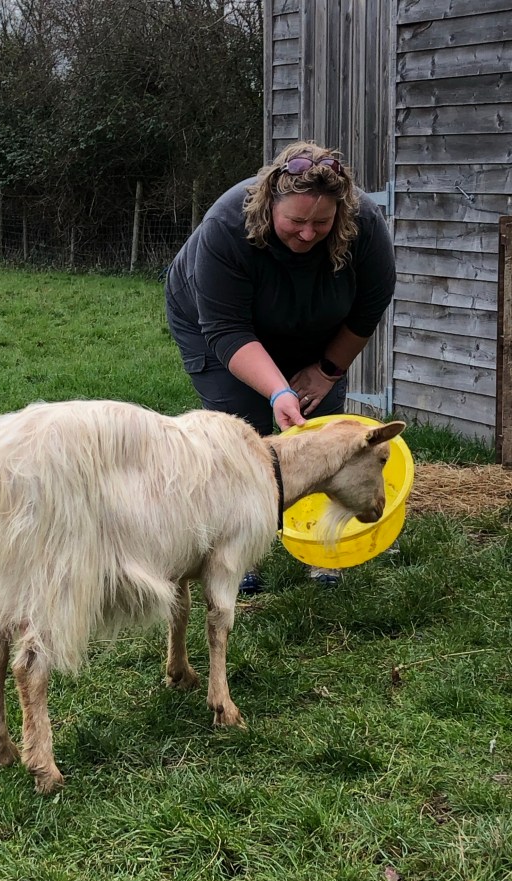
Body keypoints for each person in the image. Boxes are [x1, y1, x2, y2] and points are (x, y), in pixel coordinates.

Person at [164, 140, 396, 590]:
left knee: (325, 434)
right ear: (271, 202)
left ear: (341, 214)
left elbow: (368, 310)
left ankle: (322, 548)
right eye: (295, 221)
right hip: (218, 327)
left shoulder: (365, 224)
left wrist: (326, 371)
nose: (308, 234)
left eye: (322, 223)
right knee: (242, 430)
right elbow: (227, 328)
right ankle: (238, 552)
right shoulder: (226, 226)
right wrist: (278, 391)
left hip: (314, 324)